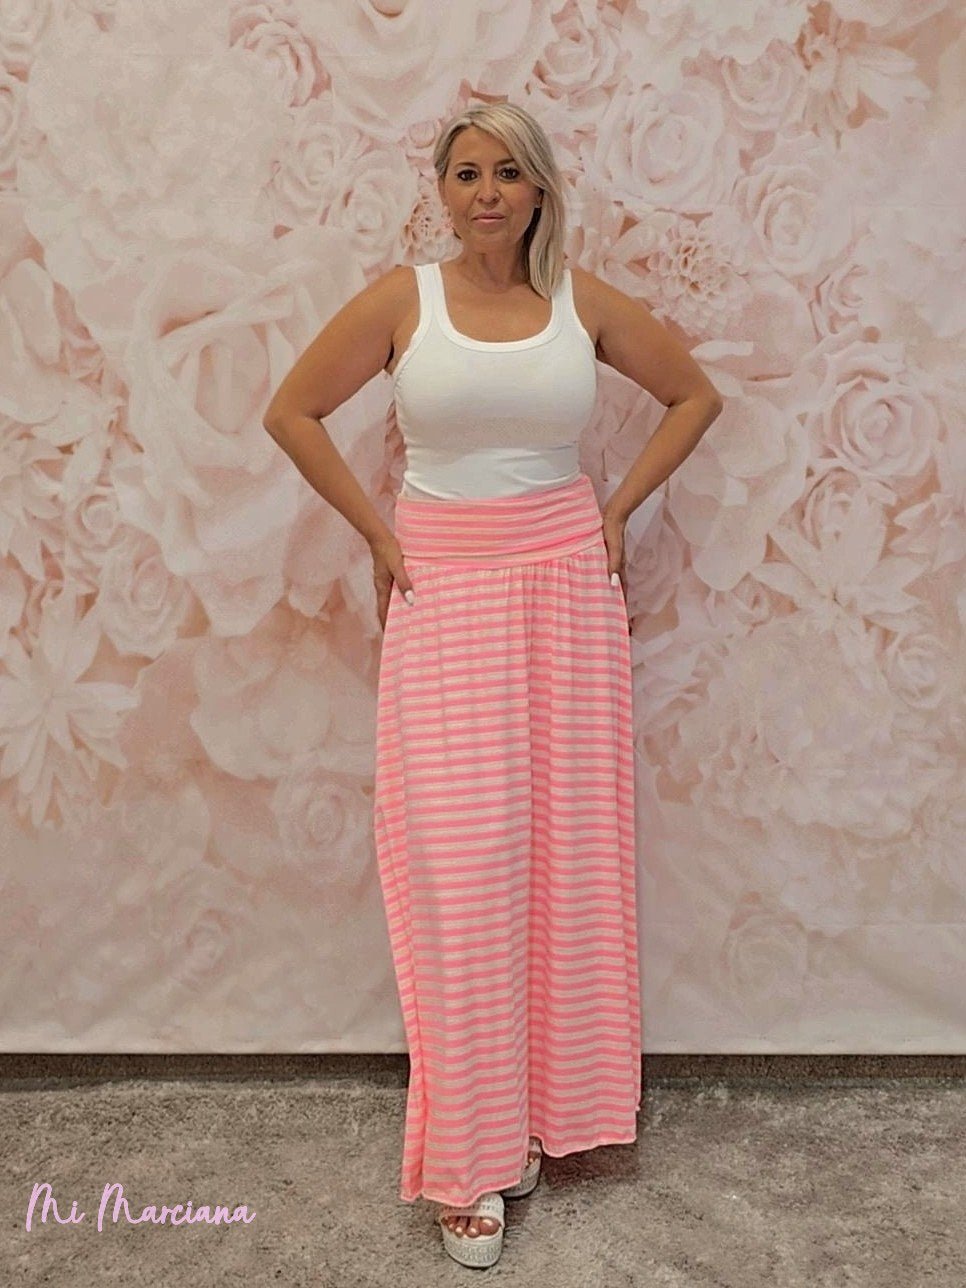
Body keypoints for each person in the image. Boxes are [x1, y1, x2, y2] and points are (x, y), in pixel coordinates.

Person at [263, 101, 722, 1269]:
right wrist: (379, 534)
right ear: (442, 190)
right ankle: (469, 1153)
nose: (485, 193)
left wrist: (620, 509)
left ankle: (541, 1121)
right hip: (447, 592)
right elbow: (292, 411)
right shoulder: (402, 302)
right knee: (462, 871)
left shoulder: (582, 304)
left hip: (566, 589)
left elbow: (695, 395)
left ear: (539, 189)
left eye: (507, 173)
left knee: (563, 860)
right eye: (466, 173)